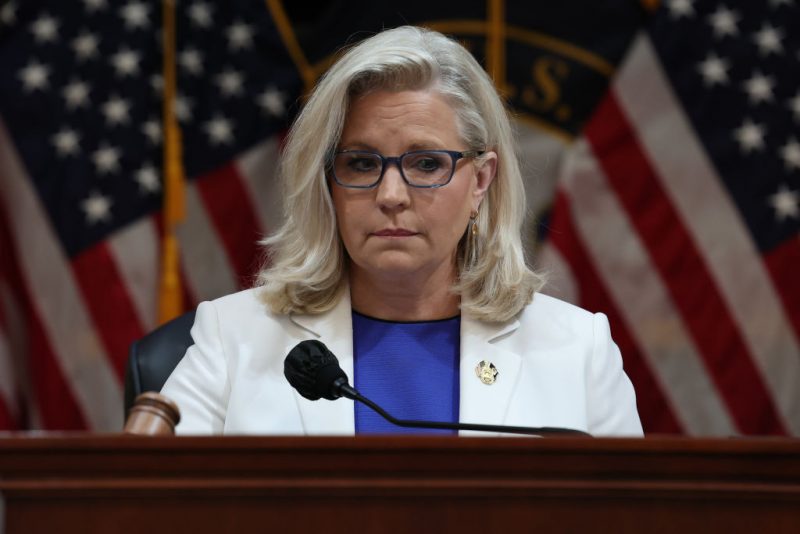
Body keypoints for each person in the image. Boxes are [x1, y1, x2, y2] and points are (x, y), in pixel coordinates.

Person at [161, 25, 643, 436]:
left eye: (427, 163)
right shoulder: (232, 338)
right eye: (362, 162)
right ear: (327, 182)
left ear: (480, 180)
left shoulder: (578, 351)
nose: (391, 194)